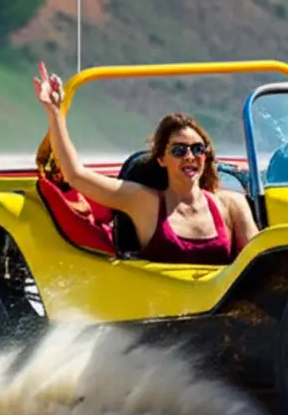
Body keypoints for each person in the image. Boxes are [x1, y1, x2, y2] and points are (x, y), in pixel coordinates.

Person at [32, 62, 258, 265]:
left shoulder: (231, 204)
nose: (190, 156)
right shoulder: (143, 202)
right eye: (179, 150)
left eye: (197, 149)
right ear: (161, 159)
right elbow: (75, 175)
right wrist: (55, 114)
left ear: (206, 155)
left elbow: (261, 264)